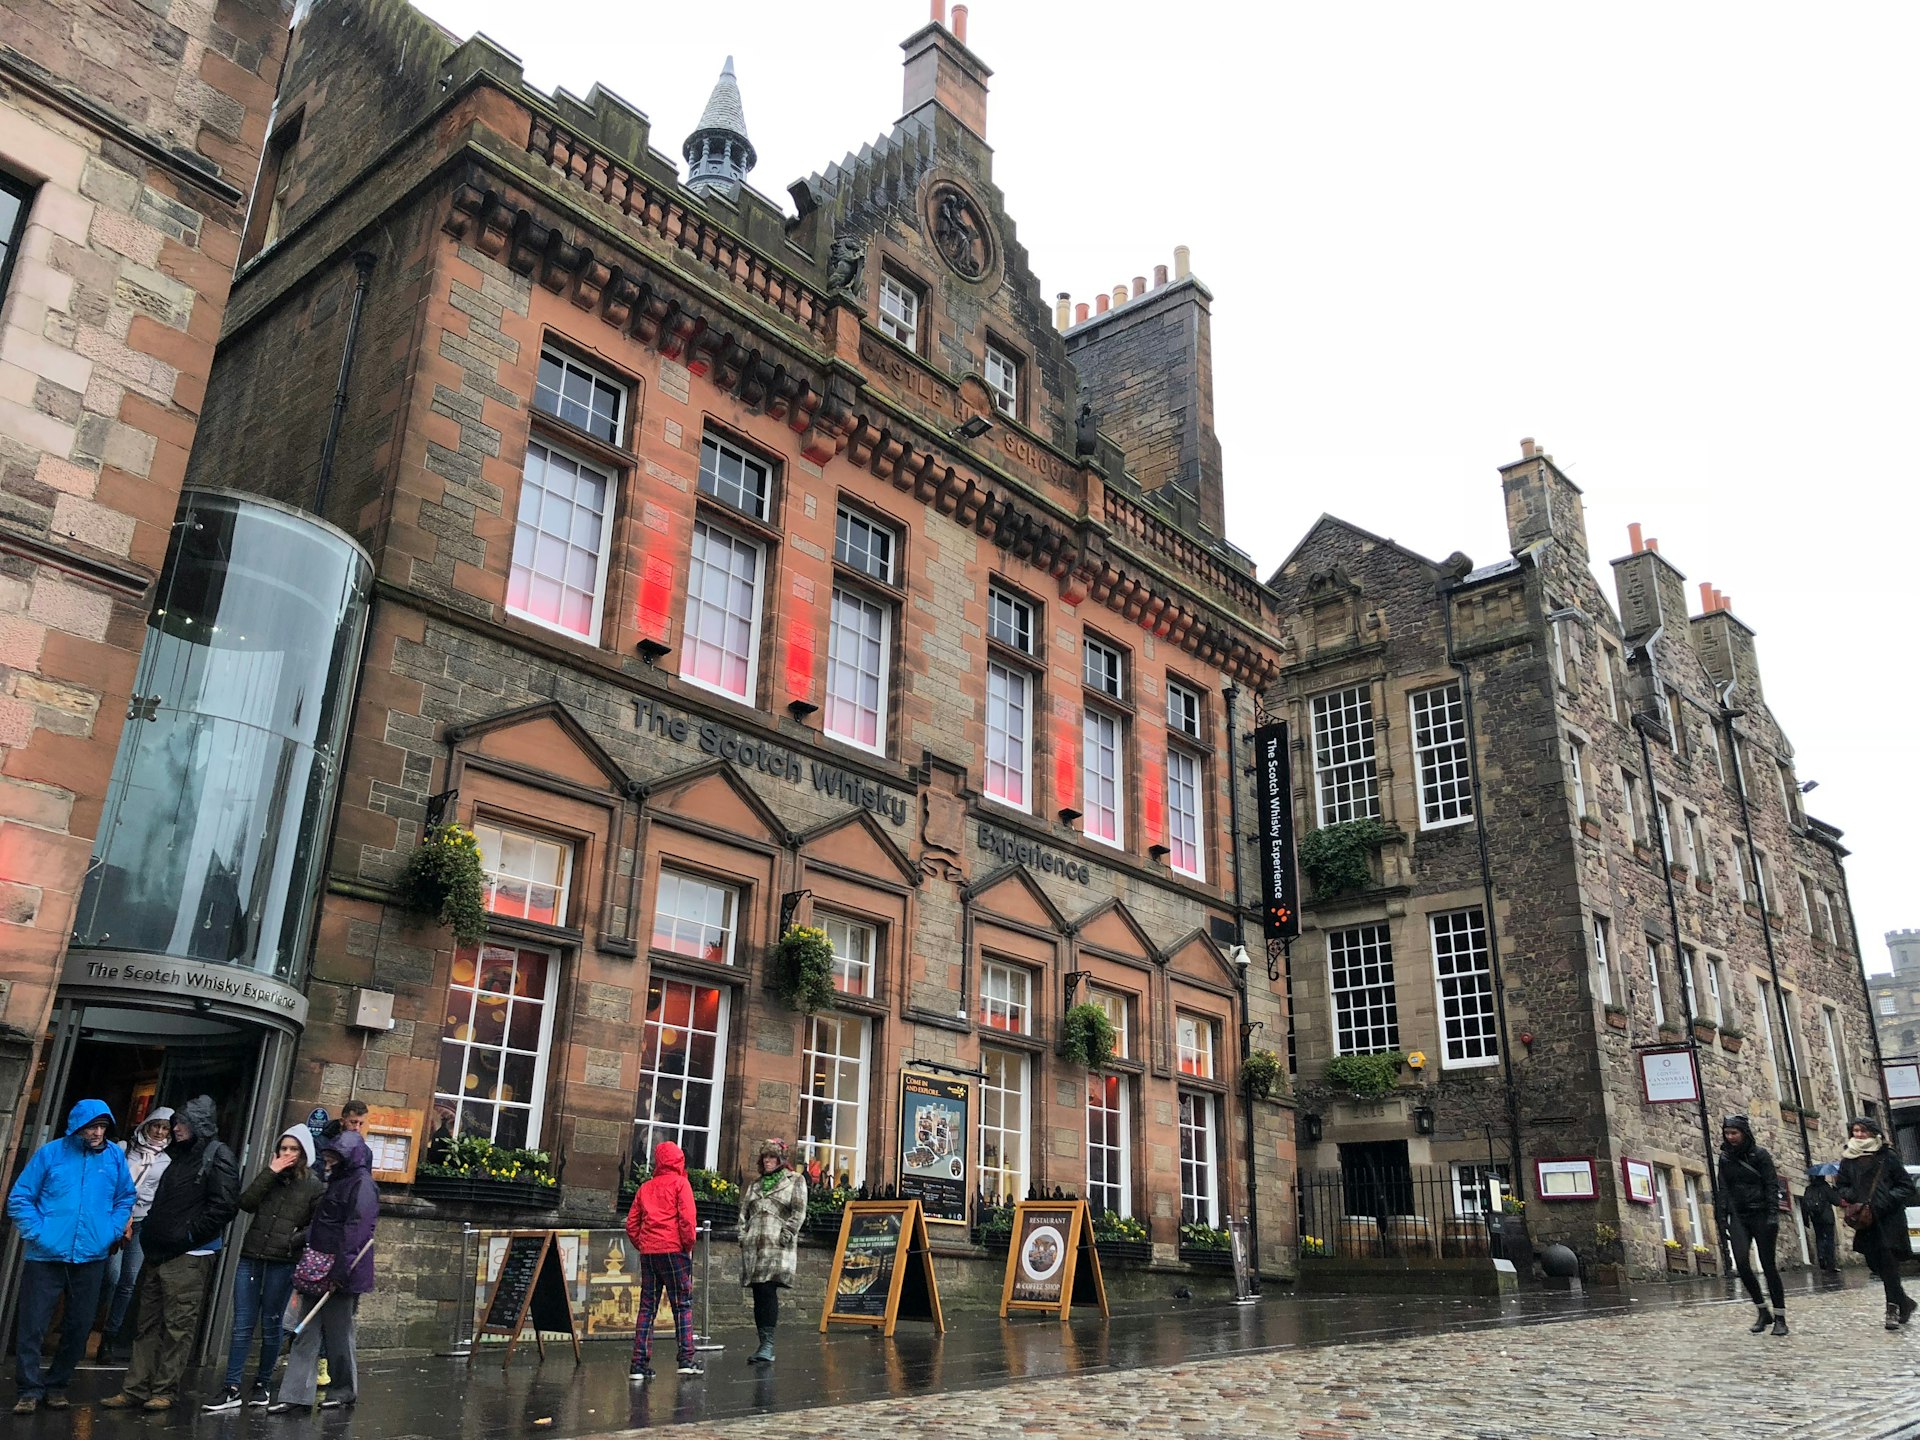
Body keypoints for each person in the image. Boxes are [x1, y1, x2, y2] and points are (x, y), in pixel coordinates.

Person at [101, 1095, 240, 1411]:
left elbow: (224, 1207)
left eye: (182, 1123)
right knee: (147, 1325)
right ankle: (135, 1388)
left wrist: (187, 1235)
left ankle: (163, 1390)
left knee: (177, 1327)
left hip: (190, 1255)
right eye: (176, 1122)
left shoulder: (216, 1156)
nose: (175, 1128)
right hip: (160, 1251)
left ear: (198, 1125)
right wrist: (153, 1231)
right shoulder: (178, 1157)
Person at [7, 1099, 135, 1414]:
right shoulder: (51, 1153)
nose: (97, 1132)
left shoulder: (115, 1157)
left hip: (91, 1255)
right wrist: (38, 1233)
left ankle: (57, 1385)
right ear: (76, 1127)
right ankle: (29, 1389)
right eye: (92, 1126)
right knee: (33, 1325)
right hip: (45, 1256)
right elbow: (20, 1197)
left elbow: (126, 1197)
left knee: (79, 1327)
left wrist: (112, 1231)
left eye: (103, 1127)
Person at [204, 1127, 324, 1410]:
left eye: (293, 1149)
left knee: (271, 1325)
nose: (287, 1154)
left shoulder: (314, 1185)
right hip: (252, 1254)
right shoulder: (270, 1176)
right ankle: (231, 1386)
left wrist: (293, 1240)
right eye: (283, 1148)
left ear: (304, 1153)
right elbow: (245, 1203)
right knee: (242, 1323)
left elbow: (316, 1226)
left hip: (282, 1261)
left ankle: (262, 1383)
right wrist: (269, 1172)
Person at [269, 1130, 378, 1413]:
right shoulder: (342, 1181)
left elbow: (356, 1232)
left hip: (337, 1269)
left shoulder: (360, 1184)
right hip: (319, 1264)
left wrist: (340, 1272)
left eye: (333, 1157)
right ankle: (295, 1394)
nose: (327, 1161)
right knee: (307, 1333)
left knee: (339, 1333)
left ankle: (342, 1391)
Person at [624, 1140, 700, 1381]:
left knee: (648, 1306)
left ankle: (638, 1364)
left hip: (649, 1252)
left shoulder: (646, 1187)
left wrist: (644, 1244)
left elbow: (631, 1224)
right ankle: (686, 1359)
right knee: (682, 1304)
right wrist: (687, 1246)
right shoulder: (681, 1184)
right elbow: (687, 1221)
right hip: (674, 1251)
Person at [101, 1109, 174, 1360]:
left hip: (142, 1221)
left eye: (165, 1129)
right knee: (111, 1276)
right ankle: (93, 1325)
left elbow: (160, 1194)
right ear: (146, 1125)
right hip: (116, 1217)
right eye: (156, 1126)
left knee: (128, 1282)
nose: (160, 1132)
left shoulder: (166, 1161)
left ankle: (109, 1337)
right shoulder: (125, 1149)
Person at [1835, 1116, 1917, 1330]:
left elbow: (1906, 1186)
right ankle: (1904, 1302)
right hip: (1866, 1220)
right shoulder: (1848, 1158)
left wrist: (1886, 1199)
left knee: (1889, 1262)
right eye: (1855, 1131)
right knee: (1875, 1263)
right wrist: (1854, 1196)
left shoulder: (1887, 1156)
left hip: (1889, 1218)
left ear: (1873, 1132)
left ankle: (1892, 1309)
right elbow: (1841, 1186)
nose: (1859, 1135)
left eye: (1863, 1131)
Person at [1714, 1114, 1788, 1336]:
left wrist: (1773, 1214)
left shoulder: (1760, 1155)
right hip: (1739, 1216)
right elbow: (1723, 1188)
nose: (1731, 1137)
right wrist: (1722, 1217)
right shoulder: (1725, 1158)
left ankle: (1780, 1317)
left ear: (1744, 1133)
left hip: (1762, 1214)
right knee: (1743, 1265)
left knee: (1768, 1266)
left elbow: (1771, 1184)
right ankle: (1762, 1310)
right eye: (1727, 1133)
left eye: (1734, 1133)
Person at [737, 1138, 807, 1366]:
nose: (768, 1161)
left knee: (768, 1289)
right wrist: (742, 1235)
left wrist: (787, 1234)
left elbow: (798, 1211)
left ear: (780, 1160)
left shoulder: (794, 1180)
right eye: (765, 1157)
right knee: (758, 1292)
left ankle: (768, 1344)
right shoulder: (755, 1185)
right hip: (755, 1246)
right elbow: (744, 1212)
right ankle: (762, 1343)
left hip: (776, 1245)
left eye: (772, 1157)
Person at [1801, 1163, 1841, 1274]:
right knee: (1829, 1240)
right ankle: (1831, 1265)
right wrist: (1836, 1191)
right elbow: (1837, 1202)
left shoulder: (1809, 1188)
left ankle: (1821, 1259)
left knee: (1819, 1239)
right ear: (1823, 1176)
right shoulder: (1825, 1187)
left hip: (1815, 1218)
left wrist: (1806, 1220)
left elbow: (1804, 1205)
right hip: (1827, 1218)